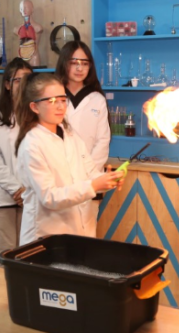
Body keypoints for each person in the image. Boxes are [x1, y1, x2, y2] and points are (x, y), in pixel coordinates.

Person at [14, 73, 123, 245]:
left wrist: (107, 180)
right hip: (46, 237)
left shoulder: (70, 134)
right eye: (52, 101)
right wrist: (94, 186)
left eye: (63, 99)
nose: (60, 106)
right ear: (35, 107)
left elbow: (89, 172)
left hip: (78, 231)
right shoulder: (32, 144)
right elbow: (49, 197)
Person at [54, 41, 111, 228]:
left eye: (85, 63)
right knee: (59, 235)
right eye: (74, 62)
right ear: (64, 63)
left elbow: (103, 141)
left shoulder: (97, 99)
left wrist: (86, 175)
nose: (80, 68)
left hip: (90, 179)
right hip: (59, 181)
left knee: (86, 234)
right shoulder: (53, 96)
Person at [0, 58, 33, 257]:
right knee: (8, 253)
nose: (23, 85)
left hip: (32, 194)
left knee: (29, 252)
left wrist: (27, 190)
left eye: (27, 79)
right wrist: (16, 189)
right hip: (4, 195)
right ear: (7, 84)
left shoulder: (38, 114)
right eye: (18, 80)